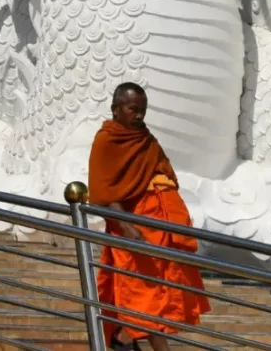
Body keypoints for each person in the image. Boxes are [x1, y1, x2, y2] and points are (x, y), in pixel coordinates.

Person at [89, 83, 210, 351]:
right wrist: (127, 227)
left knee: (162, 291)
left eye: (143, 110)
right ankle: (133, 340)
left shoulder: (145, 139)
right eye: (133, 109)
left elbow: (165, 174)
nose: (140, 115)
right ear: (116, 109)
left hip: (163, 226)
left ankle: (123, 338)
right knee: (144, 291)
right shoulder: (107, 140)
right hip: (137, 226)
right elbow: (105, 190)